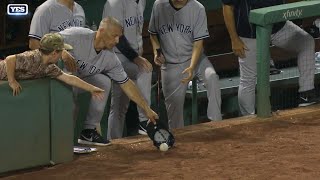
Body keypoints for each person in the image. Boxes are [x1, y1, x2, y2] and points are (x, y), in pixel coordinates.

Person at [59, 17, 158, 146]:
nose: (117, 41)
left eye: (119, 37)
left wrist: (147, 109)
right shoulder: (78, 35)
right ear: (101, 30)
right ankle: (60, 144)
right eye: (114, 36)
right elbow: (44, 41)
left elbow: (127, 84)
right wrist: (62, 51)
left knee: (103, 81)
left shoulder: (110, 58)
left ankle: (88, 131)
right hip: (57, 83)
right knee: (71, 107)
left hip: (78, 82)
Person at [222, 0, 318, 115]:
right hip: (250, 32)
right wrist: (234, 39)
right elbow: (227, 7)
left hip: (278, 27)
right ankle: (247, 118)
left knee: (306, 41)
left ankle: (306, 94)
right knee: (248, 78)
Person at [148, 0, 222, 129]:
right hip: (171, 64)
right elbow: (153, 34)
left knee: (212, 77)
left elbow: (199, 42)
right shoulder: (159, 5)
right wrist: (156, 52)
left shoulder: (198, 8)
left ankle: (216, 124)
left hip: (196, 59)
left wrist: (192, 67)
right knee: (174, 116)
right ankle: (179, 140)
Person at [102, 0, 153, 139]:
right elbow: (116, 36)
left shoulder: (142, 1)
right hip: (116, 57)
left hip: (133, 56)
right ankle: (144, 120)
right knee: (145, 69)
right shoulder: (115, 3)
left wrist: (137, 56)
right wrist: (136, 58)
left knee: (119, 106)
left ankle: (113, 142)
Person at [0, 33, 104, 100]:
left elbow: (70, 79)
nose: (61, 55)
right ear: (54, 53)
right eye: (61, 52)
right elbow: (10, 59)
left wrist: (91, 88)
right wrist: (12, 81)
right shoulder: (32, 57)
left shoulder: (49, 67)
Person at [28, 0, 85, 72]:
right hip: (55, 70)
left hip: (80, 67)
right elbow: (34, 44)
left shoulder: (79, 9)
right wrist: (59, 53)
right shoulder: (45, 9)